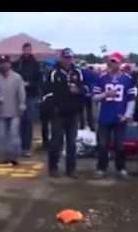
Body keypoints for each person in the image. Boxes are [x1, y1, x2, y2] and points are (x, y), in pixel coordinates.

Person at [43, 48, 88, 178]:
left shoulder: (78, 73)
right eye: (65, 58)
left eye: (70, 58)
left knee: (72, 143)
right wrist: (53, 108)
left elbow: (85, 89)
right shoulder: (53, 73)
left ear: (72, 58)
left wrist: (78, 90)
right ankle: (53, 167)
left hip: (73, 113)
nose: (68, 60)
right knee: (56, 141)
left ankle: (71, 169)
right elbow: (46, 93)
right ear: (61, 58)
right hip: (58, 113)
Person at [92, 52, 137, 180]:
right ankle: (101, 168)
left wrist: (128, 114)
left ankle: (121, 168)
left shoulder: (127, 79)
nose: (112, 63)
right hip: (105, 116)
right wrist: (105, 95)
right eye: (111, 61)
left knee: (120, 145)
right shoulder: (101, 78)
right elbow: (94, 97)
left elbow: (131, 99)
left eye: (115, 61)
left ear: (120, 63)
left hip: (120, 117)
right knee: (102, 144)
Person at [0, 55, 26, 165]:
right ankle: (5, 156)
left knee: (14, 135)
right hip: (0, 111)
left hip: (14, 110)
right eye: (2, 63)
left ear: (10, 64)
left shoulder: (17, 77)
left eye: (6, 63)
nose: (4, 65)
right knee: (2, 135)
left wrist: (22, 105)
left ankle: (14, 157)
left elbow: (21, 92)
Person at [13, 42, 42, 157]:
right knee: (19, 121)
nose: (27, 52)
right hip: (18, 96)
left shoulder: (36, 64)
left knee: (28, 121)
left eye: (29, 50)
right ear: (23, 50)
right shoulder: (17, 63)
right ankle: (19, 145)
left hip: (31, 95)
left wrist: (29, 84)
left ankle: (26, 147)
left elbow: (39, 81)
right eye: (25, 50)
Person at [40, 58, 57, 149]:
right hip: (44, 102)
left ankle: (53, 142)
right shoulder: (42, 75)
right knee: (44, 124)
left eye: (49, 66)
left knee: (54, 123)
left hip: (52, 102)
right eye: (46, 65)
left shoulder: (55, 76)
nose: (48, 68)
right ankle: (45, 142)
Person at [79, 61, 97, 131]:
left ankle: (82, 125)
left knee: (81, 111)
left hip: (82, 94)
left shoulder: (80, 72)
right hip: (90, 93)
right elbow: (95, 82)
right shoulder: (92, 72)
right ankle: (91, 125)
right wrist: (92, 92)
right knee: (90, 110)